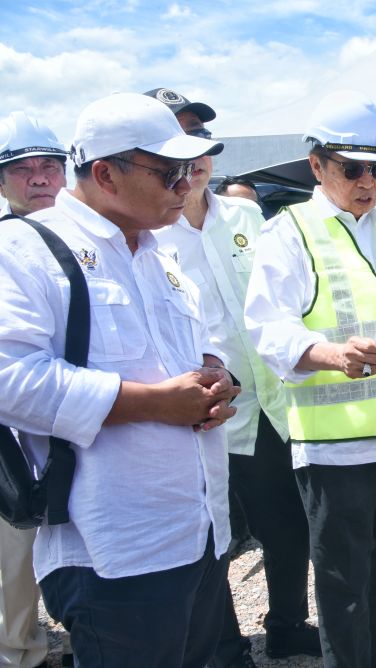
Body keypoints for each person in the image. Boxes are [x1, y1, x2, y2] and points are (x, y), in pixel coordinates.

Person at [0, 92, 238, 667]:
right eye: (169, 172)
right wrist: (156, 403)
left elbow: (198, 354)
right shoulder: (26, 248)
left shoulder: (162, 256)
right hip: (113, 551)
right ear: (105, 173)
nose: (187, 185)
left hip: (199, 529)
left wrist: (217, 382)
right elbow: (11, 379)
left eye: (189, 170)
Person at [244, 90, 376, 668]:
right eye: (352, 168)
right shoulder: (289, 233)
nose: (368, 180)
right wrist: (329, 352)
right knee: (342, 573)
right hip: (338, 443)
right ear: (317, 165)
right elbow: (267, 329)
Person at [148, 87, 318, 668]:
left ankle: (289, 625)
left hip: (269, 405)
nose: (191, 153)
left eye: (198, 137)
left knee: (288, 527)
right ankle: (223, 645)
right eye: (176, 137)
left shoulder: (245, 215)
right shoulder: (146, 234)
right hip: (201, 417)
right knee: (211, 537)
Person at [0, 111, 67, 668]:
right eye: (23, 169)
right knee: (15, 547)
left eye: (50, 166)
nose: (40, 178)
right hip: (14, 425)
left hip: (83, 420)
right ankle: (20, 652)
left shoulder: (95, 239)